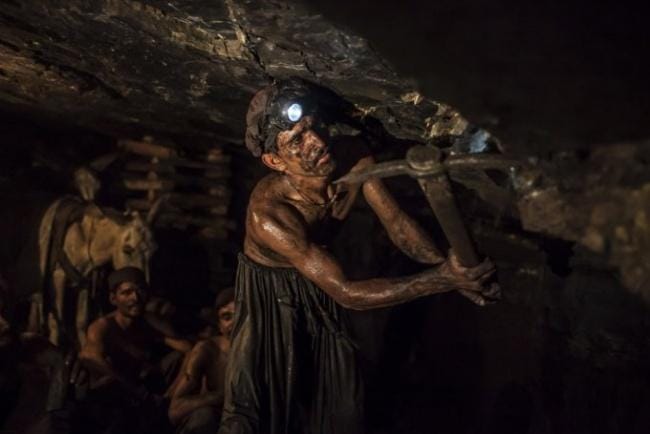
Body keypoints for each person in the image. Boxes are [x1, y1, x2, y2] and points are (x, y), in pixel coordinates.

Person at [218, 77, 497, 434]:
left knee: (342, 406)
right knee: (253, 411)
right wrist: (443, 279)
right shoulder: (271, 215)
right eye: (298, 140)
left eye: (314, 126)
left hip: (320, 280)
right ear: (275, 160)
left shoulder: (352, 157)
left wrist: (455, 273)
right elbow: (347, 293)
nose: (317, 141)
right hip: (270, 297)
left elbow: (396, 223)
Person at [77, 266, 192, 433]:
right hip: (112, 397)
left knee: (182, 357)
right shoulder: (103, 327)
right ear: (113, 299)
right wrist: (134, 390)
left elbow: (188, 349)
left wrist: (173, 392)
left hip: (142, 389)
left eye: (140, 290)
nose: (135, 298)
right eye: (126, 293)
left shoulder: (147, 323)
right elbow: (89, 357)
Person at [167, 288, 235, 434]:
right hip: (217, 423)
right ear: (219, 325)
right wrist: (222, 396)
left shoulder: (268, 350)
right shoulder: (208, 350)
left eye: (242, 315)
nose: (235, 323)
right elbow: (175, 410)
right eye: (227, 317)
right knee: (204, 417)